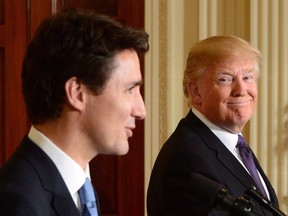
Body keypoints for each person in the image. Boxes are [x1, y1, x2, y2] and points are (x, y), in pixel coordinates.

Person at [0, 8, 149, 216]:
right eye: (129, 90)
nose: (141, 111)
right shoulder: (18, 202)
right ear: (77, 93)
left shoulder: (80, 188)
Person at [147, 35, 279, 215]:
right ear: (196, 91)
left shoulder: (234, 145)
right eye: (225, 79)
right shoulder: (187, 158)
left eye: (248, 77)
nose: (241, 90)